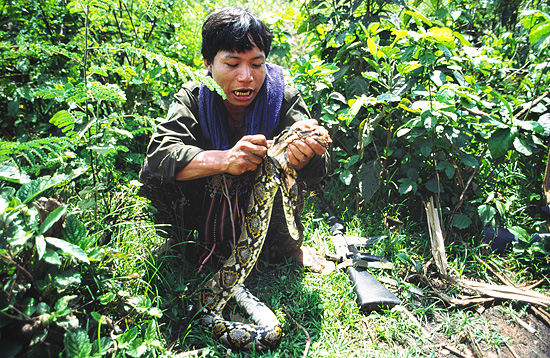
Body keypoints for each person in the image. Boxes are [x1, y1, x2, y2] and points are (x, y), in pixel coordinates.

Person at [139, 6, 330, 273]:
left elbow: (318, 170)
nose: (246, 76)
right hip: (203, 206)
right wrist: (225, 160)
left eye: (256, 64)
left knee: (293, 176)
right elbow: (160, 156)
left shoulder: (285, 99)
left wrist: (305, 156)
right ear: (209, 63)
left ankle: (284, 247)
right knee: (155, 174)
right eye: (232, 64)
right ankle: (183, 240)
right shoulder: (193, 97)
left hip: (264, 210)